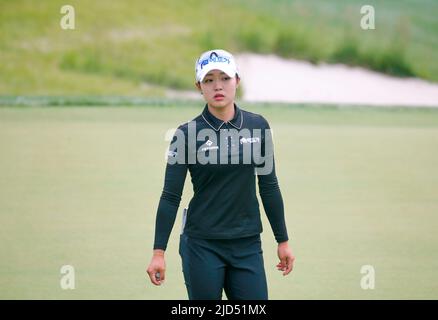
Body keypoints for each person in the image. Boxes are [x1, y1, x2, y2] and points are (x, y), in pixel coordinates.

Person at [146, 49, 295, 300]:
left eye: (225, 78)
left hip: (247, 243)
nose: (218, 86)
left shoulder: (258, 126)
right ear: (199, 86)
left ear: (237, 80)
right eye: (209, 79)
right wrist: (158, 252)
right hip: (202, 244)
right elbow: (171, 196)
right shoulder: (186, 134)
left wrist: (283, 240)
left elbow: (268, 186)